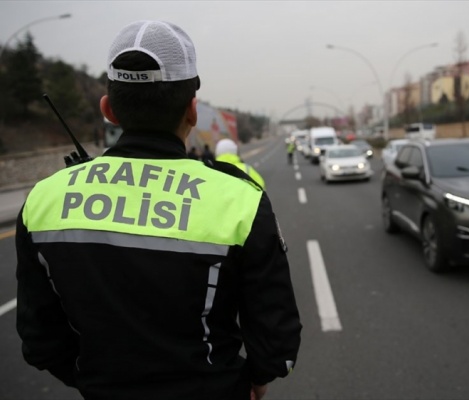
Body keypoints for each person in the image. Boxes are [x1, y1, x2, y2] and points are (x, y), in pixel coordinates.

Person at [15, 20, 301, 400]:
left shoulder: (43, 200)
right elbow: (276, 343)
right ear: (192, 110)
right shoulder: (240, 200)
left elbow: (40, 341)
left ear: (108, 109)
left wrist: (96, 381)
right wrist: (252, 380)